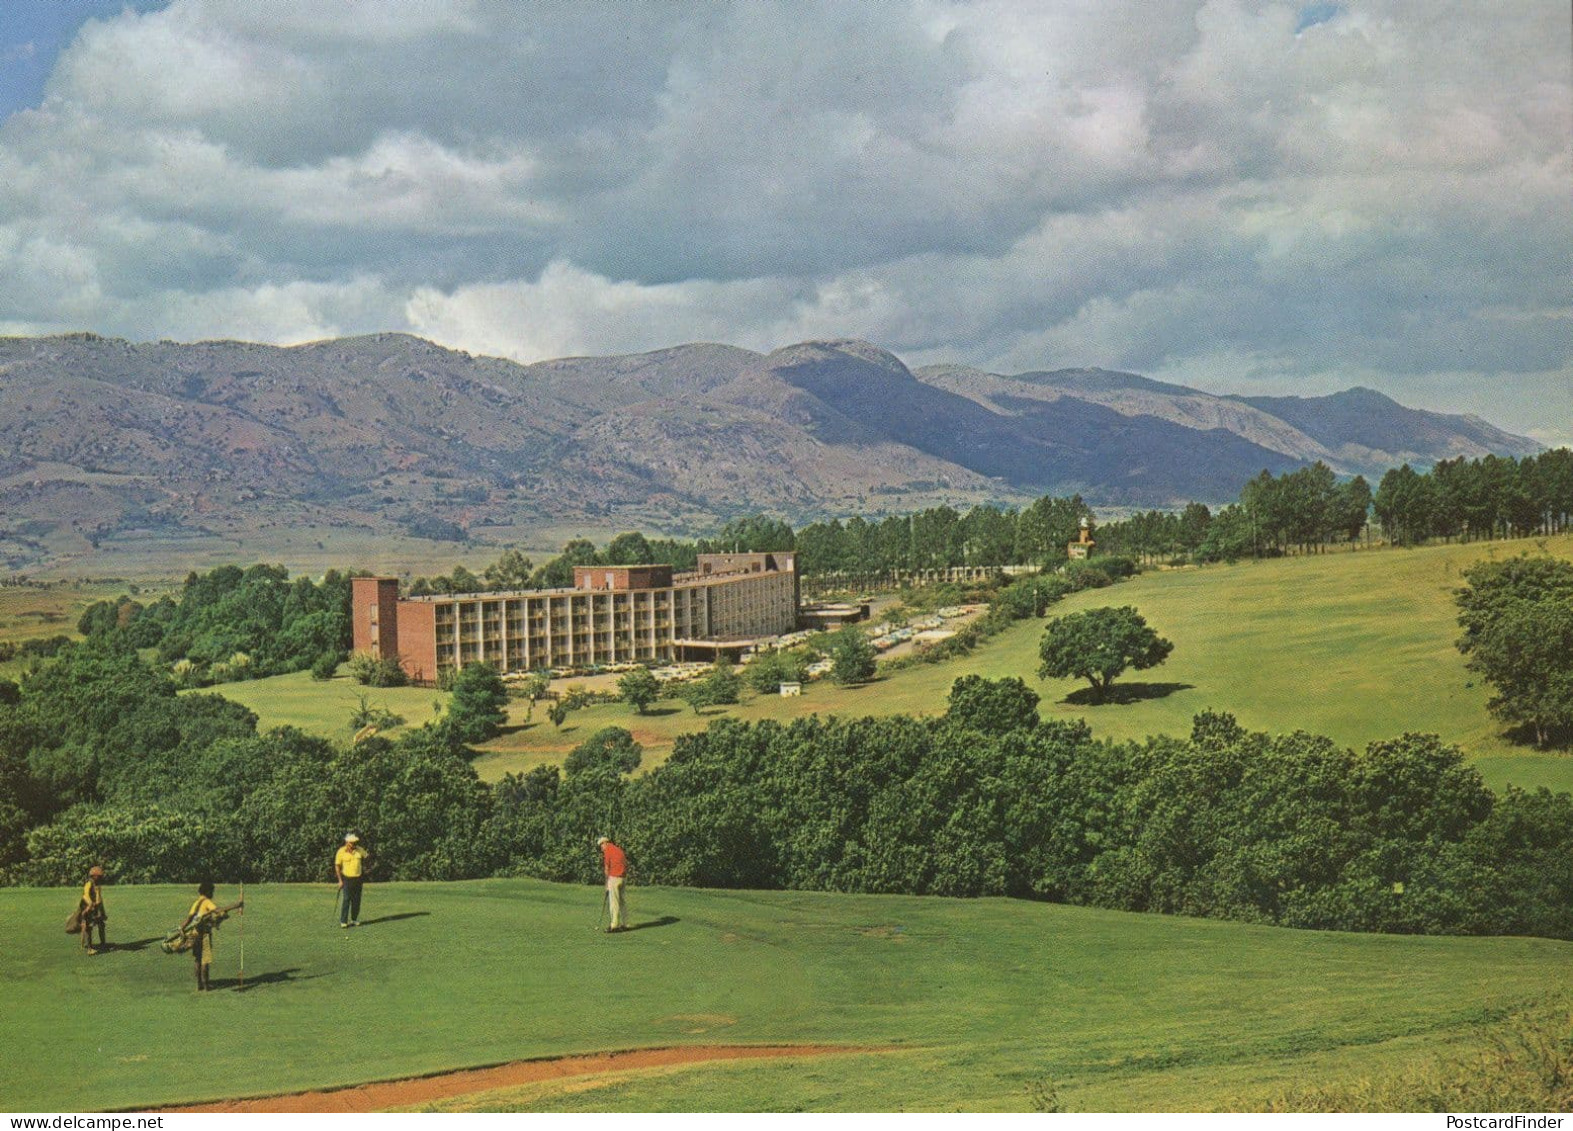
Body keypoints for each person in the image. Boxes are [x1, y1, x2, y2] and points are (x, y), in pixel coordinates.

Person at [180, 881, 240, 992]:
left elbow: (188, 919)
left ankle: (199, 985)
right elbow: (219, 910)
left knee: (197, 959)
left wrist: (180, 929)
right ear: (207, 891)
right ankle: (206, 985)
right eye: (212, 891)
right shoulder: (207, 902)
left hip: (193, 934)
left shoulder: (196, 902)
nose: (213, 893)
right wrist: (236, 905)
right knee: (205, 960)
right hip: (204, 935)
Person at [335, 832, 370, 928]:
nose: (354, 844)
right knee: (346, 899)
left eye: (355, 842)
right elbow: (337, 866)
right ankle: (343, 921)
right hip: (347, 879)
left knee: (356, 900)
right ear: (347, 842)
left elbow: (367, 857)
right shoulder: (341, 851)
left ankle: (354, 919)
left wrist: (366, 869)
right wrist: (340, 880)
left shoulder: (359, 850)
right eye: (352, 843)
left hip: (358, 878)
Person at [598, 835, 627, 932]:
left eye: (601, 845)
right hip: (623, 878)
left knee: (614, 902)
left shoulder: (608, 851)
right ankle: (624, 923)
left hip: (614, 878)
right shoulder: (619, 850)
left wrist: (607, 883)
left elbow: (607, 868)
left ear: (605, 843)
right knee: (622, 901)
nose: (601, 847)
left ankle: (614, 925)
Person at [79, 866, 107, 955]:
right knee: (89, 927)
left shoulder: (97, 884)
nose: (101, 878)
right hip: (88, 908)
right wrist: (90, 904)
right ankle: (90, 948)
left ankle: (103, 944)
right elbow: (85, 895)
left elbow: (99, 898)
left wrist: (102, 911)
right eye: (99, 876)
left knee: (101, 925)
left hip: (96, 908)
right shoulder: (89, 883)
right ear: (94, 876)